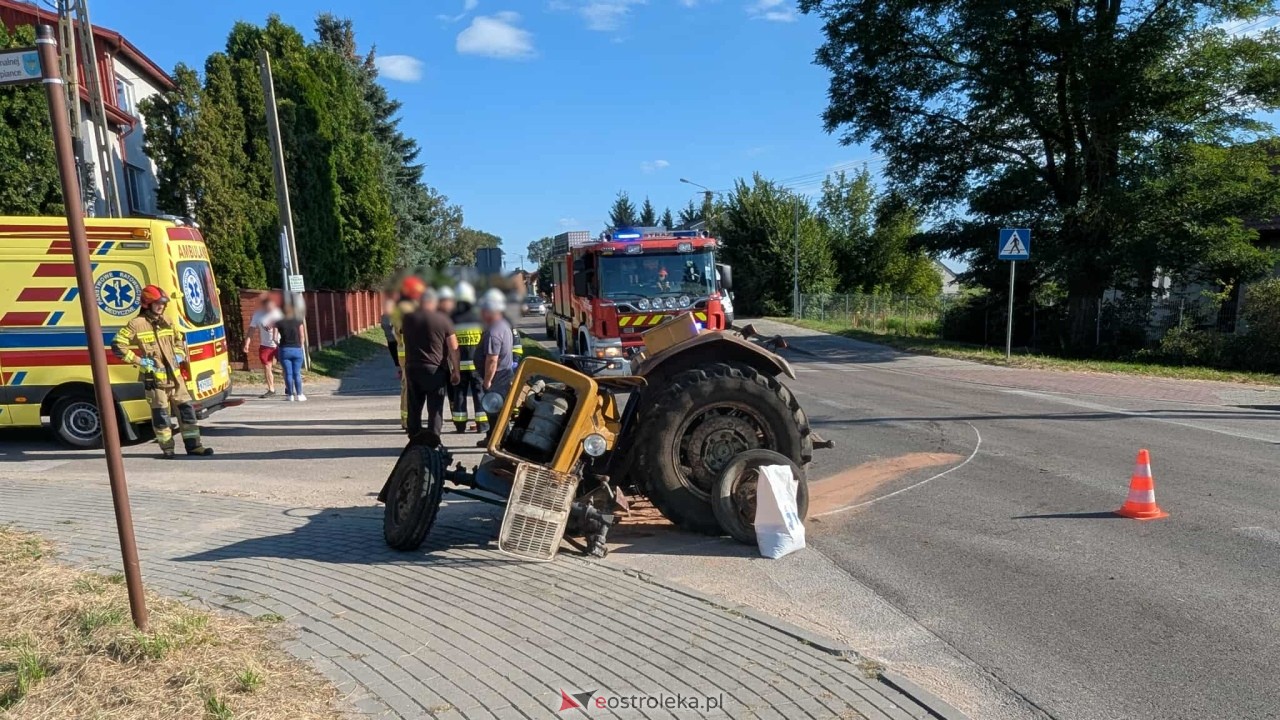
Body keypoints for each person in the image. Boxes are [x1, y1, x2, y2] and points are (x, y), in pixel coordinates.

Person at [112, 285, 213, 458]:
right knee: (162, 417)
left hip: (175, 378)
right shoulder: (137, 324)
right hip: (155, 381)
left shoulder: (167, 320)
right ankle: (168, 450)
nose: (161, 306)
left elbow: (179, 340)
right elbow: (117, 346)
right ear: (147, 304)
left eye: (163, 303)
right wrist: (140, 361)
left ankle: (194, 446)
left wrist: (179, 355)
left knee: (187, 412)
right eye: (157, 303)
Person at [400, 287, 461, 444]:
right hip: (435, 370)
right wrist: (456, 371)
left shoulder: (408, 319)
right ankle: (434, 438)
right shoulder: (443, 319)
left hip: (412, 368)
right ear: (434, 302)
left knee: (414, 405)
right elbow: (454, 347)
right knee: (435, 407)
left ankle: (414, 437)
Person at [476, 289, 516, 447]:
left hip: (497, 377)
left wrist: (487, 381)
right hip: (504, 375)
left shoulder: (494, 332)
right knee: (498, 412)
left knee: (494, 411)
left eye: (483, 312)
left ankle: (498, 441)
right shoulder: (503, 325)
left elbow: (492, 360)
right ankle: (492, 438)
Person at [449, 282, 485, 433]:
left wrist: (453, 369)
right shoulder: (479, 316)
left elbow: (451, 345)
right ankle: (482, 425)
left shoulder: (452, 317)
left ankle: (460, 425)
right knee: (480, 394)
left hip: (460, 364)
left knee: (459, 394)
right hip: (477, 365)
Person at [391, 276, 425, 429]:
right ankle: (408, 420)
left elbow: (395, 335)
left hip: (405, 355)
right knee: (413, 387)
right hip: (413, 354)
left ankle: (406, 419)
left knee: (407, 387)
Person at [243, 296, 282, 397]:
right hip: (265, 345)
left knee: (284, 366)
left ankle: (288, 387)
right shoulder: (258, 315)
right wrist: (247, 343)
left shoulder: (278, 313)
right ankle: (271, 389)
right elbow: (251, 330)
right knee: (267, 366)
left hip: (279, 344)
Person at [275, 305, 307, 402]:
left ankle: (290, 395)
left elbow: (274, 338)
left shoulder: (278, 322)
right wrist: (300, 346)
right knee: (297, 373)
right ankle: (300, 395)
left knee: (288, 373)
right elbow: (302, 335)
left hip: (284, 349)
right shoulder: (298, 320)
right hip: (296, 348)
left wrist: (280, 345)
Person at [380, 294, 399, 371]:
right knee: (395, 354)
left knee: (401, 354)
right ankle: (399, 368)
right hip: (391, 338)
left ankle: (402, 368)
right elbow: (384, 325)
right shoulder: (385, 316)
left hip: (398, 339)